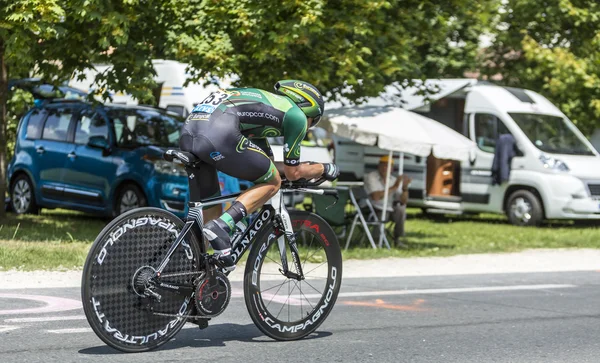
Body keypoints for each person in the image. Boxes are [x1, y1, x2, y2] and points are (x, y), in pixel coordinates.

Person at [179, 80, 340, 271]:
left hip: (189, 133)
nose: (308, 127)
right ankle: (222, 226)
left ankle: (189, 271)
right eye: (313, 122)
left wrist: (293, 169)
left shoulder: (265, 113)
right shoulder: (296, 116)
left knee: (212, 209)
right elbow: (292, 172)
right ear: (309, 109)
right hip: (216, 133)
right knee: (273, 182)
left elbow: (267, 164)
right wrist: (323, 168)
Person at [364, 155, 412, 247]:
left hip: (388, 207)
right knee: (382, 211)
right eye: (384, 165)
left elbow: (403, 201)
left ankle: (397, 238)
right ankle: (376, 240)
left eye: (389, 166)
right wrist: (394, 187)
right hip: (371, 207)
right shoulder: (371, 177)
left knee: (401, 209)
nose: (386, 168)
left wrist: (405, 188)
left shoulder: (393, 180)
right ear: (379, 166)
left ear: (392, 169)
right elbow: (376, 197)